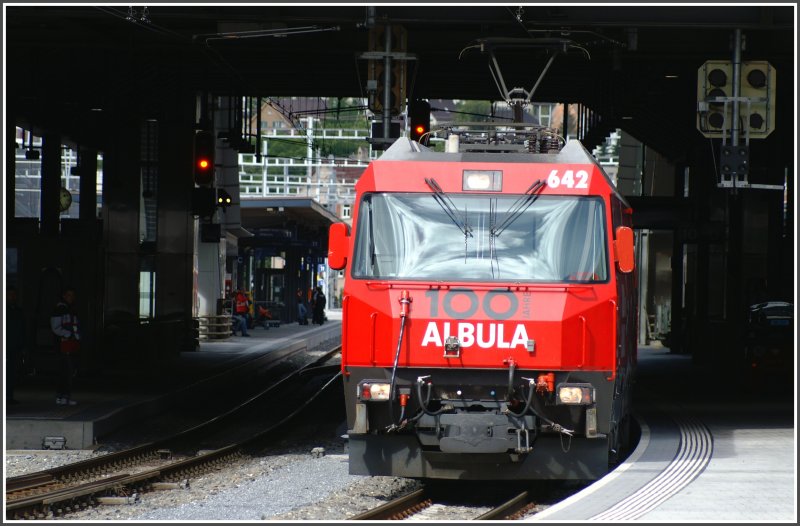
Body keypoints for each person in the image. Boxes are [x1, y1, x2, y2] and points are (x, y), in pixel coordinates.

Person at [50, 287, 80, 405]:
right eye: (68, 295)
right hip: (63, 344)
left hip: (68, 344)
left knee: (65, 371)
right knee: (66, 371)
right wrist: (68, 334)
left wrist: (75, 337)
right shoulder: (61, 309)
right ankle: (63, 396)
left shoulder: (69, 309)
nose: (71, 297)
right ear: (64, 296)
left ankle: (62, 396)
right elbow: (55, 327)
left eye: (72, 295)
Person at [6, 286, 26, 405]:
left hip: (15, 346)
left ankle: (9, 396)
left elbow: (22, 329)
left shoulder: (19, 311)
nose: (12, 297)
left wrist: (22, 345)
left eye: (14, 294)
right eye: (9, 294)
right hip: (6, 345)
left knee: (12, 372)